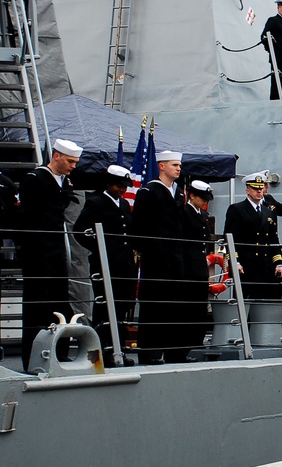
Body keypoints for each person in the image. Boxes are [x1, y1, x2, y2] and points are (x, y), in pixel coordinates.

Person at [17, 138, 81, 370]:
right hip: (37, 250)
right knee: (37, 306)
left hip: (55, 250)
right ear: (56, 156)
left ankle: (58, 354)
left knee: (58, 304)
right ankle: (32, 359)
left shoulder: (65, 182)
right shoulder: (35, 179)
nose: (73, 166)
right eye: (70, 161)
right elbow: (31, 215)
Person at [73, 164, 137, 366]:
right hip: (105, 263)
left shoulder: (124, 205)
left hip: (124, 264)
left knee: (122, 307)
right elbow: (80, 230)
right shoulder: (96, 203)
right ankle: (101, 350)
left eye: (124, 187)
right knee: (104, 307)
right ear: (108, 184)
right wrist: (100, 247)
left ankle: (119, 349)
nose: (122, 190)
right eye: (118, 186)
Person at [131, 150, 186, 364]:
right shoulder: (149, 191)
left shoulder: (178, 192)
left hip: (175, 257)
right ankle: (150, 353)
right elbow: (139, 225)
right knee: (153, 307)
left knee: (173, 306)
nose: (178, 168)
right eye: (174, 165)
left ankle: (171, 351)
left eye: (179, 165)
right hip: (156, 258)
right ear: (161, 166)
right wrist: (147, 250)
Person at [224, 172, 282, 302]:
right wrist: (235, 263)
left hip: (265, 266)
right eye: (255, 188)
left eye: (261, 188)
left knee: (264, 303)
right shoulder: (237, 209)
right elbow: (229, 238)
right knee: (245, 303)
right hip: (246, 267)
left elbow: (273, 240)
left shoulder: (269, 212)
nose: (259, 191)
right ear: (247, 190)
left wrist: (279, 263)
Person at [177, 180, 214, 353]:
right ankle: (186, 344)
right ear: (191, 196)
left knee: (200, 307)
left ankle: (197, 341)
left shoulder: (202, 215)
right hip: (188, 267)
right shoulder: (184, 213)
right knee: (188, 308)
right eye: (202, 198)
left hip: (199, 266)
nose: (205, 201)